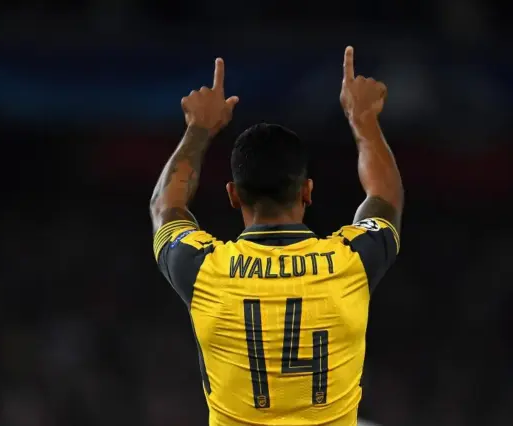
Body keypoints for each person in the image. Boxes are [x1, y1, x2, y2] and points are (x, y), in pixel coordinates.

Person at [149, 46, 404, 426]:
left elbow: (165, 206)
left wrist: (198, 128)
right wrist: (362, 119)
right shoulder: (350, 263)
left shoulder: (203, 269)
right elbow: (384, 198)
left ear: (233, 195)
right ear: (308, 192)